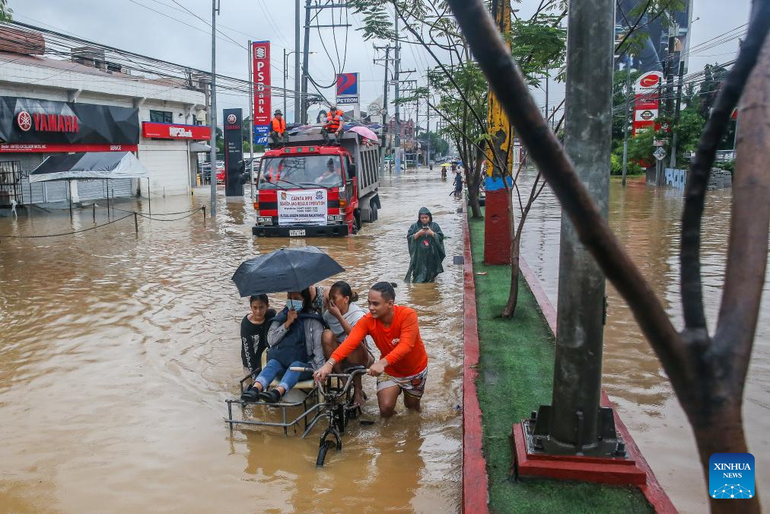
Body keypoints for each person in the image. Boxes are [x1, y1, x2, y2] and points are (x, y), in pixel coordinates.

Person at [314, 282, 429, 418]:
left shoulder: (408, 315)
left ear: (390, 304)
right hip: (390, 370)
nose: (370, 308)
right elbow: (350, 342)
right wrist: (329, 364)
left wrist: (382, 363)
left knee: (412, 409)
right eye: (369, 303)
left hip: (414, 371)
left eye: (375, 304)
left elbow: (406, 346)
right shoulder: (368, 320)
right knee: (385, 409)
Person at [248, 289, 326, 403]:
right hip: (282, 363)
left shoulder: (313, 320)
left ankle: (277, 392)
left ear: (305, 300)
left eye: (296, 299)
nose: (293, 302)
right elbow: (271, 340)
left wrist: (320, 372)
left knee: (295, 366)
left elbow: (319, 351)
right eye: (290, 298)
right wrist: (287, 323)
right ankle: (254, 389)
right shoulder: (281, 316)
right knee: (272, 363)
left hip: (304, 366)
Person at [321, 281, 375, 407]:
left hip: (360, 356)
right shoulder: (328, 315)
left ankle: (358, 389)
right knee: (326, 334)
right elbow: (329, 340)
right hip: (338, 357)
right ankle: (345, 382)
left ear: (346, 299)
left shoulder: (358, 315)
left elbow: (355, 337)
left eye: (334, 298)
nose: (331, 302)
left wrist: (339, 316)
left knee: (352, 342)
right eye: (330, 298)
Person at [240, 295, 277, 398]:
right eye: (255, 307)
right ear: (250, 307)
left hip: (267, 360)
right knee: (252, 391)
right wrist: (254, 375)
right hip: (250, 363)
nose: (258, 311)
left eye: (261, 307)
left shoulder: (271, 316)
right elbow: (248, 352)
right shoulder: (246, 325)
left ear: (267, 306)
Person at [404, 207, 446, 283]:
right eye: (422, 218)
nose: (424, 219)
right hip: (419, 255)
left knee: (431, 274)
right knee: (418, 276)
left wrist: (432, 233)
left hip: (431, 254)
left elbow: (440, 237)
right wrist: (418, 234)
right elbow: (409, 238)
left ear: (429, 217)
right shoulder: (414, 226)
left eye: (426, 217)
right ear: (419, 218)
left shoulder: (435, 226)